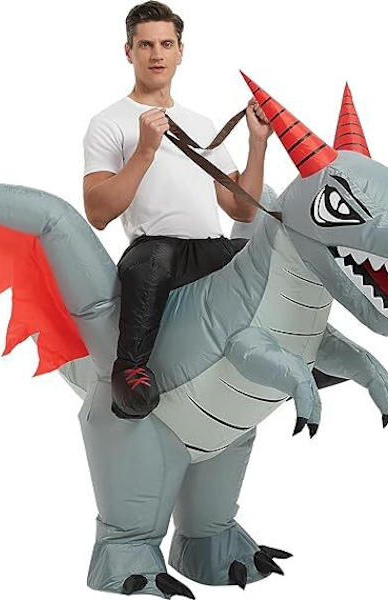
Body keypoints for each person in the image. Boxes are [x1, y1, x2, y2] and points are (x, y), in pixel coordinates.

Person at [82, 1, 272, 420]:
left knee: (260, 258)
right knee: (148, 266)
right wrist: (144, 151)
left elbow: (241, 210)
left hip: (210, 246)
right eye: (146, 45)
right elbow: (97, 212)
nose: (157, 54)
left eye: (166, 44)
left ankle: (298, 347)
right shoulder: (109, 122)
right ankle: (129, 371)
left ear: (180, 51)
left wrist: (257, 143)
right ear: (129, 51)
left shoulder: (201, 124)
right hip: (156, 247)